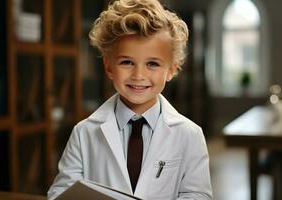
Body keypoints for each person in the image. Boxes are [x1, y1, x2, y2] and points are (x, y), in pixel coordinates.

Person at [48, 0, 212, 199]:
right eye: (127, 62)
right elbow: (60, 193)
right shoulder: (84, 133)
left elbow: (198, 195)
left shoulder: (190, 135)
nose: (138, 75)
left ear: (171, 70)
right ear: (108, 67)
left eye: (152, 64)